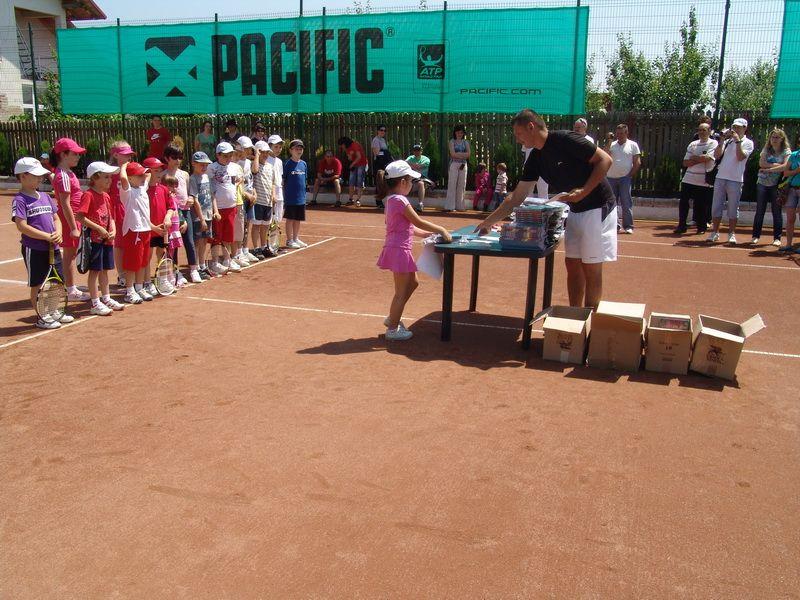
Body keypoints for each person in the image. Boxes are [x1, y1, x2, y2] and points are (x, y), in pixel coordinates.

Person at [477, 109, 616, 309]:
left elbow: (605, 160)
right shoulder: (535, 158)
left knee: (591, 268)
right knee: (572, 265)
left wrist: (584, 191)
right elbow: (517, 197)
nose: (517, 139)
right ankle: (575, 316)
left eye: (518, 134)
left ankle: (590, 321)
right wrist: (488, 222)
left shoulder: (566, 139)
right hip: (575, 209)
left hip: (598, 206)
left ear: (531, 127)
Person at [377, 160, 452, 341]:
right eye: (411, 181)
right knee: (401, 292)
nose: (412, 184)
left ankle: (392, 318)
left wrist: (428, 234)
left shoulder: (392, 200)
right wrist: (441, 229)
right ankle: (392, 329)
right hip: (399, 250)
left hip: (399, 249)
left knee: (413, 283)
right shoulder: (400, 200)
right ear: (403, 182)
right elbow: (417, 221)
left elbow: (410, 227)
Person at [12, 157, 73, 330]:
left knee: (56, 283)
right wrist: (46, 236)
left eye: (41, 176)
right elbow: (21, 226)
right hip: (34, 249)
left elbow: (56, 218)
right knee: (38, 284)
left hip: (53, 248)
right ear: (23, 176)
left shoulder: (45, 196)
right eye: (35, 176)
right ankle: (42, 316)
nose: (40, 179)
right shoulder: (20, 200)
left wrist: (58, 232)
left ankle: (53, 311)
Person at [76, 161, 124, 315]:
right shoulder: (88, 195)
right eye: (106, 177)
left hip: (107, 240)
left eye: (110, 177)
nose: (110, 180)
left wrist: (113, 230)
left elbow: (111, 217)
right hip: (95, 241)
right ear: (95, 178)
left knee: (104, 271)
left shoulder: (106, 196)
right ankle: (95, 303)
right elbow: (80, 216)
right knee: (95, 271)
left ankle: (106, 298)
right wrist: (98, 228)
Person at [50, 137, 90, 302]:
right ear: (63, 155)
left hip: (74, 217)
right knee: (70, 255)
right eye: (75, 154)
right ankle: (71, 289)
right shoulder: (63, 176)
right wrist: (73, 227)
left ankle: (70, 286)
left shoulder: (67, 173)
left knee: (71, 254)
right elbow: (65, 203)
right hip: (70, 219)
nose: (78, 157)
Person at [119, 161, 161, 304]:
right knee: (132, 263)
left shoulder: (143, 188)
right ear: (130, 178)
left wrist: (146, 169)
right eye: (139, 175)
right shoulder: (127, 192)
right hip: (133, 231)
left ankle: (139, 287)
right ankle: (129, 291)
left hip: (145, 230)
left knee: (143, 262)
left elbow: (148, 175)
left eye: (143, 175)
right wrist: (124, 166)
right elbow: (123, 178)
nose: (143, 177)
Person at [707, 118, 754, 244]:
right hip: (720, 177)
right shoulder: (728, 142)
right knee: (716, 206)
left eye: (738, 127)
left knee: (733, 208)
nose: (735, 129)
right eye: (734, 127)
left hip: (735, 179)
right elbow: (717, 155)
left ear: (745, 128)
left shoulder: (748, 143)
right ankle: (715, 232)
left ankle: (731, 233)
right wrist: (722, 140)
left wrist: (738, 141)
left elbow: (740, 157)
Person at [163, 144, 199, 284]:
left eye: (180, 157)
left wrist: (191, 198)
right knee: (173, 244)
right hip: (172, 213)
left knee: (189, 241)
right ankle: (176, 273)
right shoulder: (163, 175)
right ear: (167, 158)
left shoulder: (184, 174)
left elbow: (190, 192)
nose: (178, 160)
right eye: (174, 157)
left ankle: (194, 269)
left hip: (185, 210)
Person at [674, 122, 718, 235]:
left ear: (709, 131)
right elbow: (685, 162)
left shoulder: (713, 143)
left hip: (703, 180)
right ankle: (681, 226)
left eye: (704, 130)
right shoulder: (693, 144)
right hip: (688, 178)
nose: (701, 132)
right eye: (700, 130)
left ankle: (701, 227)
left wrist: (694, 158)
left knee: (700, 205)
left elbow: (708, 158)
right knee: (683, 203)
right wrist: (699, 159)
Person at [207, 141, 244, 273]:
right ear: (218, 155)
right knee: (217, 236)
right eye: (225, 156)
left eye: (230, 155)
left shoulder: (234, 167)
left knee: (228, 236)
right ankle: (215, 262)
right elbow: (209, 188)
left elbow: (235, 181)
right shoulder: (211, 168)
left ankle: (227, 260)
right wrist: (214, 208)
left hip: (231, 206)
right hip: (218, 208)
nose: (228, 158)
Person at [752, 129, 790, 246]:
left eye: (777, 137)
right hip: (762, 183)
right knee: (760, 210)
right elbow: (761, 163)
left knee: (776, 211)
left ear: (782, 139)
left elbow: (786, 166)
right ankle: (755, 236)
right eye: (772, 137)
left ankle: (777, 238)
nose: (774, 140)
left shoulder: (786, 151)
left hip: (777, 184)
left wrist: (769, 169)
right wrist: (777, 166)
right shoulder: (766, 149)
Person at [108, 141, 136, 287]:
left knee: (132, 243)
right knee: (119, 245)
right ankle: (122, 275)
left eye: (130, 155)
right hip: (117, 211)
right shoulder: (110, 173)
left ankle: (133, 273)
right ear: (115, 155)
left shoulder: (133, 169)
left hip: (131, 209)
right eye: (125, 155)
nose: (128, 157)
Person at [143, 157, 173, 297]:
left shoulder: (164, 189)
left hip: (162, 230)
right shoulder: (142, 191)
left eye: (160, 170)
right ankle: (147, 282)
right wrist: (153, 227)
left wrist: (167, 217)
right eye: (156, 170)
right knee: (147, 257)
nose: (159, 173)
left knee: (162, 254)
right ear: (147, 172)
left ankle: (162, 280)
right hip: (148, 230)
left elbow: (171, 207)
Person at [605, 124, 641, 234]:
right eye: (618, 133)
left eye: (621, 133)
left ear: (626, 133)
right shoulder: (611, 144)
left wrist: (630, 175)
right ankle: (615, 225)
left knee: (626, 203)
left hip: (624, 178)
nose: (619, 135)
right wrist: (609, 141)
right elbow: (604, 155)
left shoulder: (633, 145)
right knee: (612, 203)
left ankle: (628, 226)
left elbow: (637, 162)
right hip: (610, 178)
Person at [188, 151, 217, 279]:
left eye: (206, 165)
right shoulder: (192, 179)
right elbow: (195, 200)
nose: (204, 167)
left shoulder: (207, 178)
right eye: (201, 164)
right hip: (198, 218)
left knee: (204, 241)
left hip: (208, 215)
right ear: (194, 164)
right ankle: (196, 267)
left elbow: (212, 196)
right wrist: (202, 219)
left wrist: (216, 211)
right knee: (197, 241)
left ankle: (202, 264)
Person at [234, 136, 260, 265]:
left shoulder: (248, 162)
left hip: (250, 197)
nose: (249, 151)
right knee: (241, 226)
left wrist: (254, 192)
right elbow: (237, 185)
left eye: (250, 148)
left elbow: (253, 175)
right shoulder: (236, 164)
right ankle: (238, 252)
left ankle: (245, 250)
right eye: (246, 148)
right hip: (241, 198)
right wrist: (247, 195)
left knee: (247, 225)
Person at [251, 140, 276, 255]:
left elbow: (272, 183)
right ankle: (256, 248)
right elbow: (255, 170)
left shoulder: (270, 167)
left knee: (265, 226)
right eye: (262, 152)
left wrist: (273, 195)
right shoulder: (254, 164)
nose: (265, 154)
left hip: (268, 201)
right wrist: (256, 155)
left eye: (267, 152)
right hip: (258, 201)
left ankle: (263, 246)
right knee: (256, 225)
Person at [284, 139, 308, 249]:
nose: (299, 151)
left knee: (298, 219)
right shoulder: (288, 164)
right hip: (290, 197)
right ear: (291, 150)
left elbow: (304, 180)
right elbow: (284, 180)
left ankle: (295, 238)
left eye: (301, 149)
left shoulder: (304, 164)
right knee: (290, 219)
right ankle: (289, 240)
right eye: (296, 148)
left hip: (301, 198)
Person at [445, 125, 470, 211]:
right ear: (455, 133)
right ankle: (450, 206)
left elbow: (468, 154)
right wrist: (463, 155)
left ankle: (460, 206)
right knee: (452, 184)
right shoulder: (452, 141)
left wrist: (458, 154)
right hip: (454, 164)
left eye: (461, 133)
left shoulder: (466, 142)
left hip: (463, 165)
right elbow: (452, 154)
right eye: (458, 132)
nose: (460, 134)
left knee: (462, 185)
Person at [780, 145, 800, 252]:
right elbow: (786, 172)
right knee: (790, 218)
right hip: (792, 189)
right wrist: (797, 170)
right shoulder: (794, 155)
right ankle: (788, 244)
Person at [338, 136, 367, 207]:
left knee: (359, 181)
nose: (341, 147)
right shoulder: (347, 148)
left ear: (344, 143)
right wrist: (349, 157)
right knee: (351, 181)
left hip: (361, 164)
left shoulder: (355, 145)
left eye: (341, 145)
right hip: (354, 165)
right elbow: (350, 158)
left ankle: (358, 199)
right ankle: (350, 199)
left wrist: (352, 164)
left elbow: (359, 157)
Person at [371, 124, 392, 207]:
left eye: (384, 130)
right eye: (381, 130)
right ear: (378, 131)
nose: (383, 132)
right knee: (379, 181)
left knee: (385, 181)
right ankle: (378, 201)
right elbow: (376, 153)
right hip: (378, 163)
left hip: (384, 163)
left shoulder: (383, 140)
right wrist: (385, 152)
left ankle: (383, 200)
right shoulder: (375, 140)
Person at [405, 143, 430, 211]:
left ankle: (420, 204)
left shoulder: (426, 159)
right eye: (415, 150)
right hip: (412, 179)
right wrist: (415, 166)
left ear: (421, 151)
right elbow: (405, 163)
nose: (417, 152)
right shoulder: (410, 158)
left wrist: (412, 165)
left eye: (418, 150)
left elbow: (419, 167)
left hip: (422, 179)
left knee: (421, 183)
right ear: (413, 151)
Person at [267, 134, 285, 223]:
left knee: (278, 216)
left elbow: (280, 177)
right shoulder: (266, 160)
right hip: (269, 190)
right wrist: (272, 192)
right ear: (269, 147)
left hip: (279, 190)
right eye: (276, 147)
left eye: (280, 147)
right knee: (269, 217)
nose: (278, 149)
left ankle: (275, 230)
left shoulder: (279, 161)